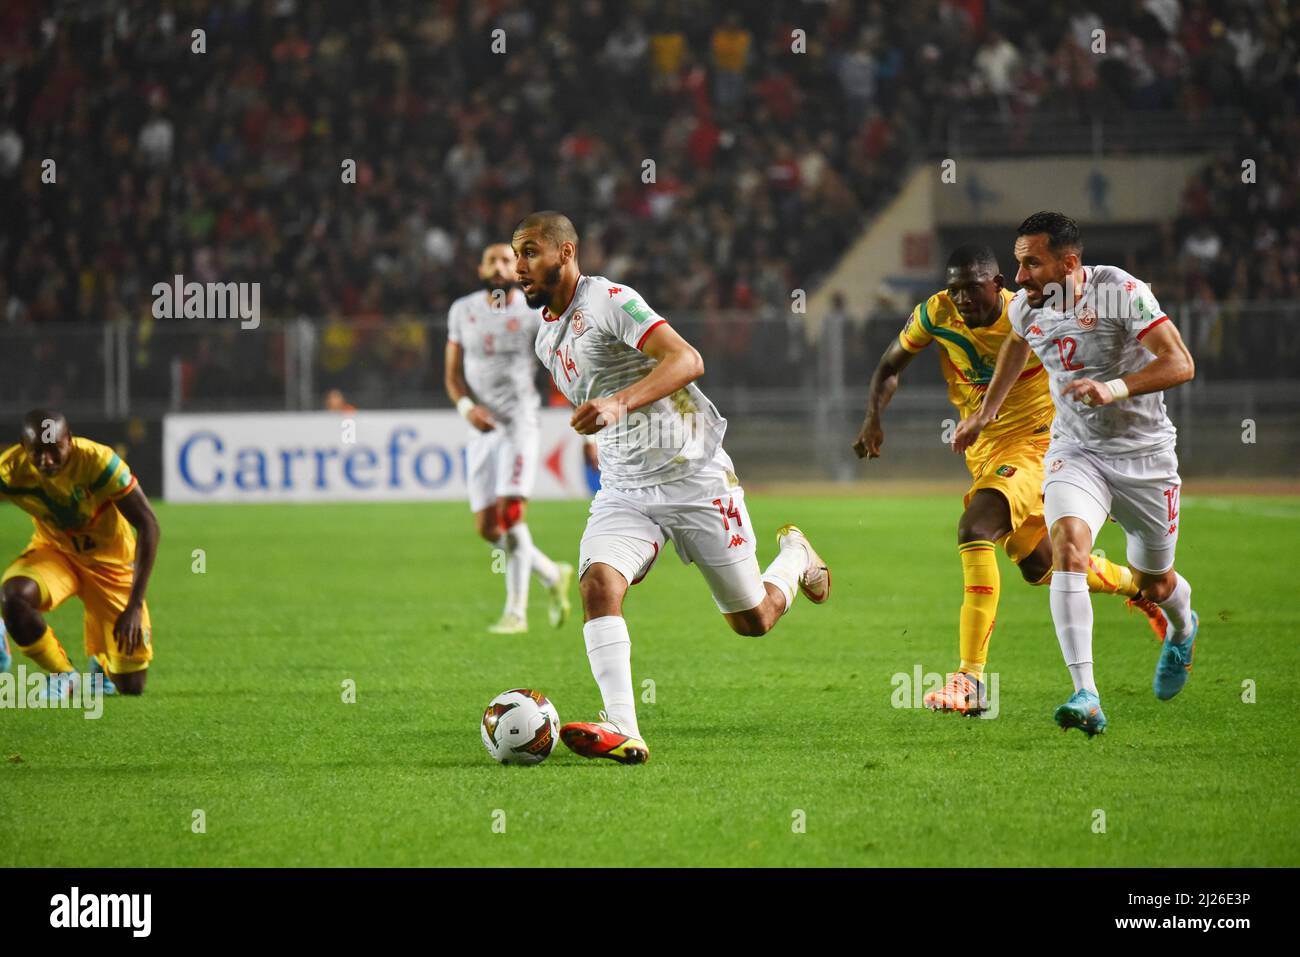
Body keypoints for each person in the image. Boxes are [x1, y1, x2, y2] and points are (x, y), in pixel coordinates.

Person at [513, 211, 830, 765]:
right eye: (516, 255)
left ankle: (794, 557)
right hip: (626, 490)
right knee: (597, 585)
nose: (519, 267)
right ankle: (625, 728)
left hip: (696, 478)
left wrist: (618, 402)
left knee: (752, 620)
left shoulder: (609, 299)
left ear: (566, 253)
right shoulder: (546, 341)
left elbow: (687, 359)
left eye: (531, 252)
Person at [853, 245, 1165, 715]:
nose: (961, 298)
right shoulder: (935, 313)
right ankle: (1137, 587)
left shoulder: (1028, 312)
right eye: (954, 287)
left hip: (1039, 443)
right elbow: (888, 366)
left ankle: (969, 679)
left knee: (975, 528)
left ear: (996, 283)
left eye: (971, 288)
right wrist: (873, 418)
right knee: (1041, 566)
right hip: (983, 451)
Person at [953, 212, 1198, 735]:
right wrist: (986, 413)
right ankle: (1085, 693)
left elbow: (1180, 363)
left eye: (1030, 264)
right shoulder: (1027, 307)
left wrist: (1114, 388)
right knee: (1068, 547)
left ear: (1069, 264)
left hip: (1144, 457)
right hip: (1075, 451)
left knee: (1155, 584)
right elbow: (1018, 346)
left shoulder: (1117, 291)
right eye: (1017, 264)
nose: (1019, 279)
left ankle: (1182, 625)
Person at [445, 242, 572, 634]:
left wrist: (577, 419)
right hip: (481, 428)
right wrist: (467, 408)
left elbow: (559, 366)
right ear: (481, 268)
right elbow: (452, 377)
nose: (500, 266)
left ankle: (516, 613)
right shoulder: (462, 311)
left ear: (516, 268)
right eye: (492, 260)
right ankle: (552, 573)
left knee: (511, 513)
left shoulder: (532, 313)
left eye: (507, 260)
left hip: (520, 423)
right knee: (487, 527)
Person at [0, 410, 160, 696]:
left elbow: (148, 524)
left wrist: (135, 605)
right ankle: (63, 674)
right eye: (37, 453)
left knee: (131, 687)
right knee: (13, 597)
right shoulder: (10, 470)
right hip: (55, 553)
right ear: (24, 449)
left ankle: (101, 658)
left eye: (54, 451)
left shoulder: (99, 462)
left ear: (70, 442)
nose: (46, 461)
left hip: (111, 566)